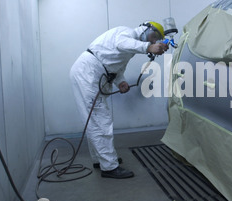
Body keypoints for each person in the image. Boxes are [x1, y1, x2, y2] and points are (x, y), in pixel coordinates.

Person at [69, 21, 168, 179]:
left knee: (95, 120)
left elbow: (117, 64)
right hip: (87, 73)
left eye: (156, 40)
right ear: (146, 29)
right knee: (100, 120)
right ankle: (109, 167)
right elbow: (124, 44)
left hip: (91, 73)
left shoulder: (130, 44)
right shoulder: (126, 33)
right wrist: (148, 48)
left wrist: (120, 81)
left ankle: (101, 159)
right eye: (153, 37)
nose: (153, 41)